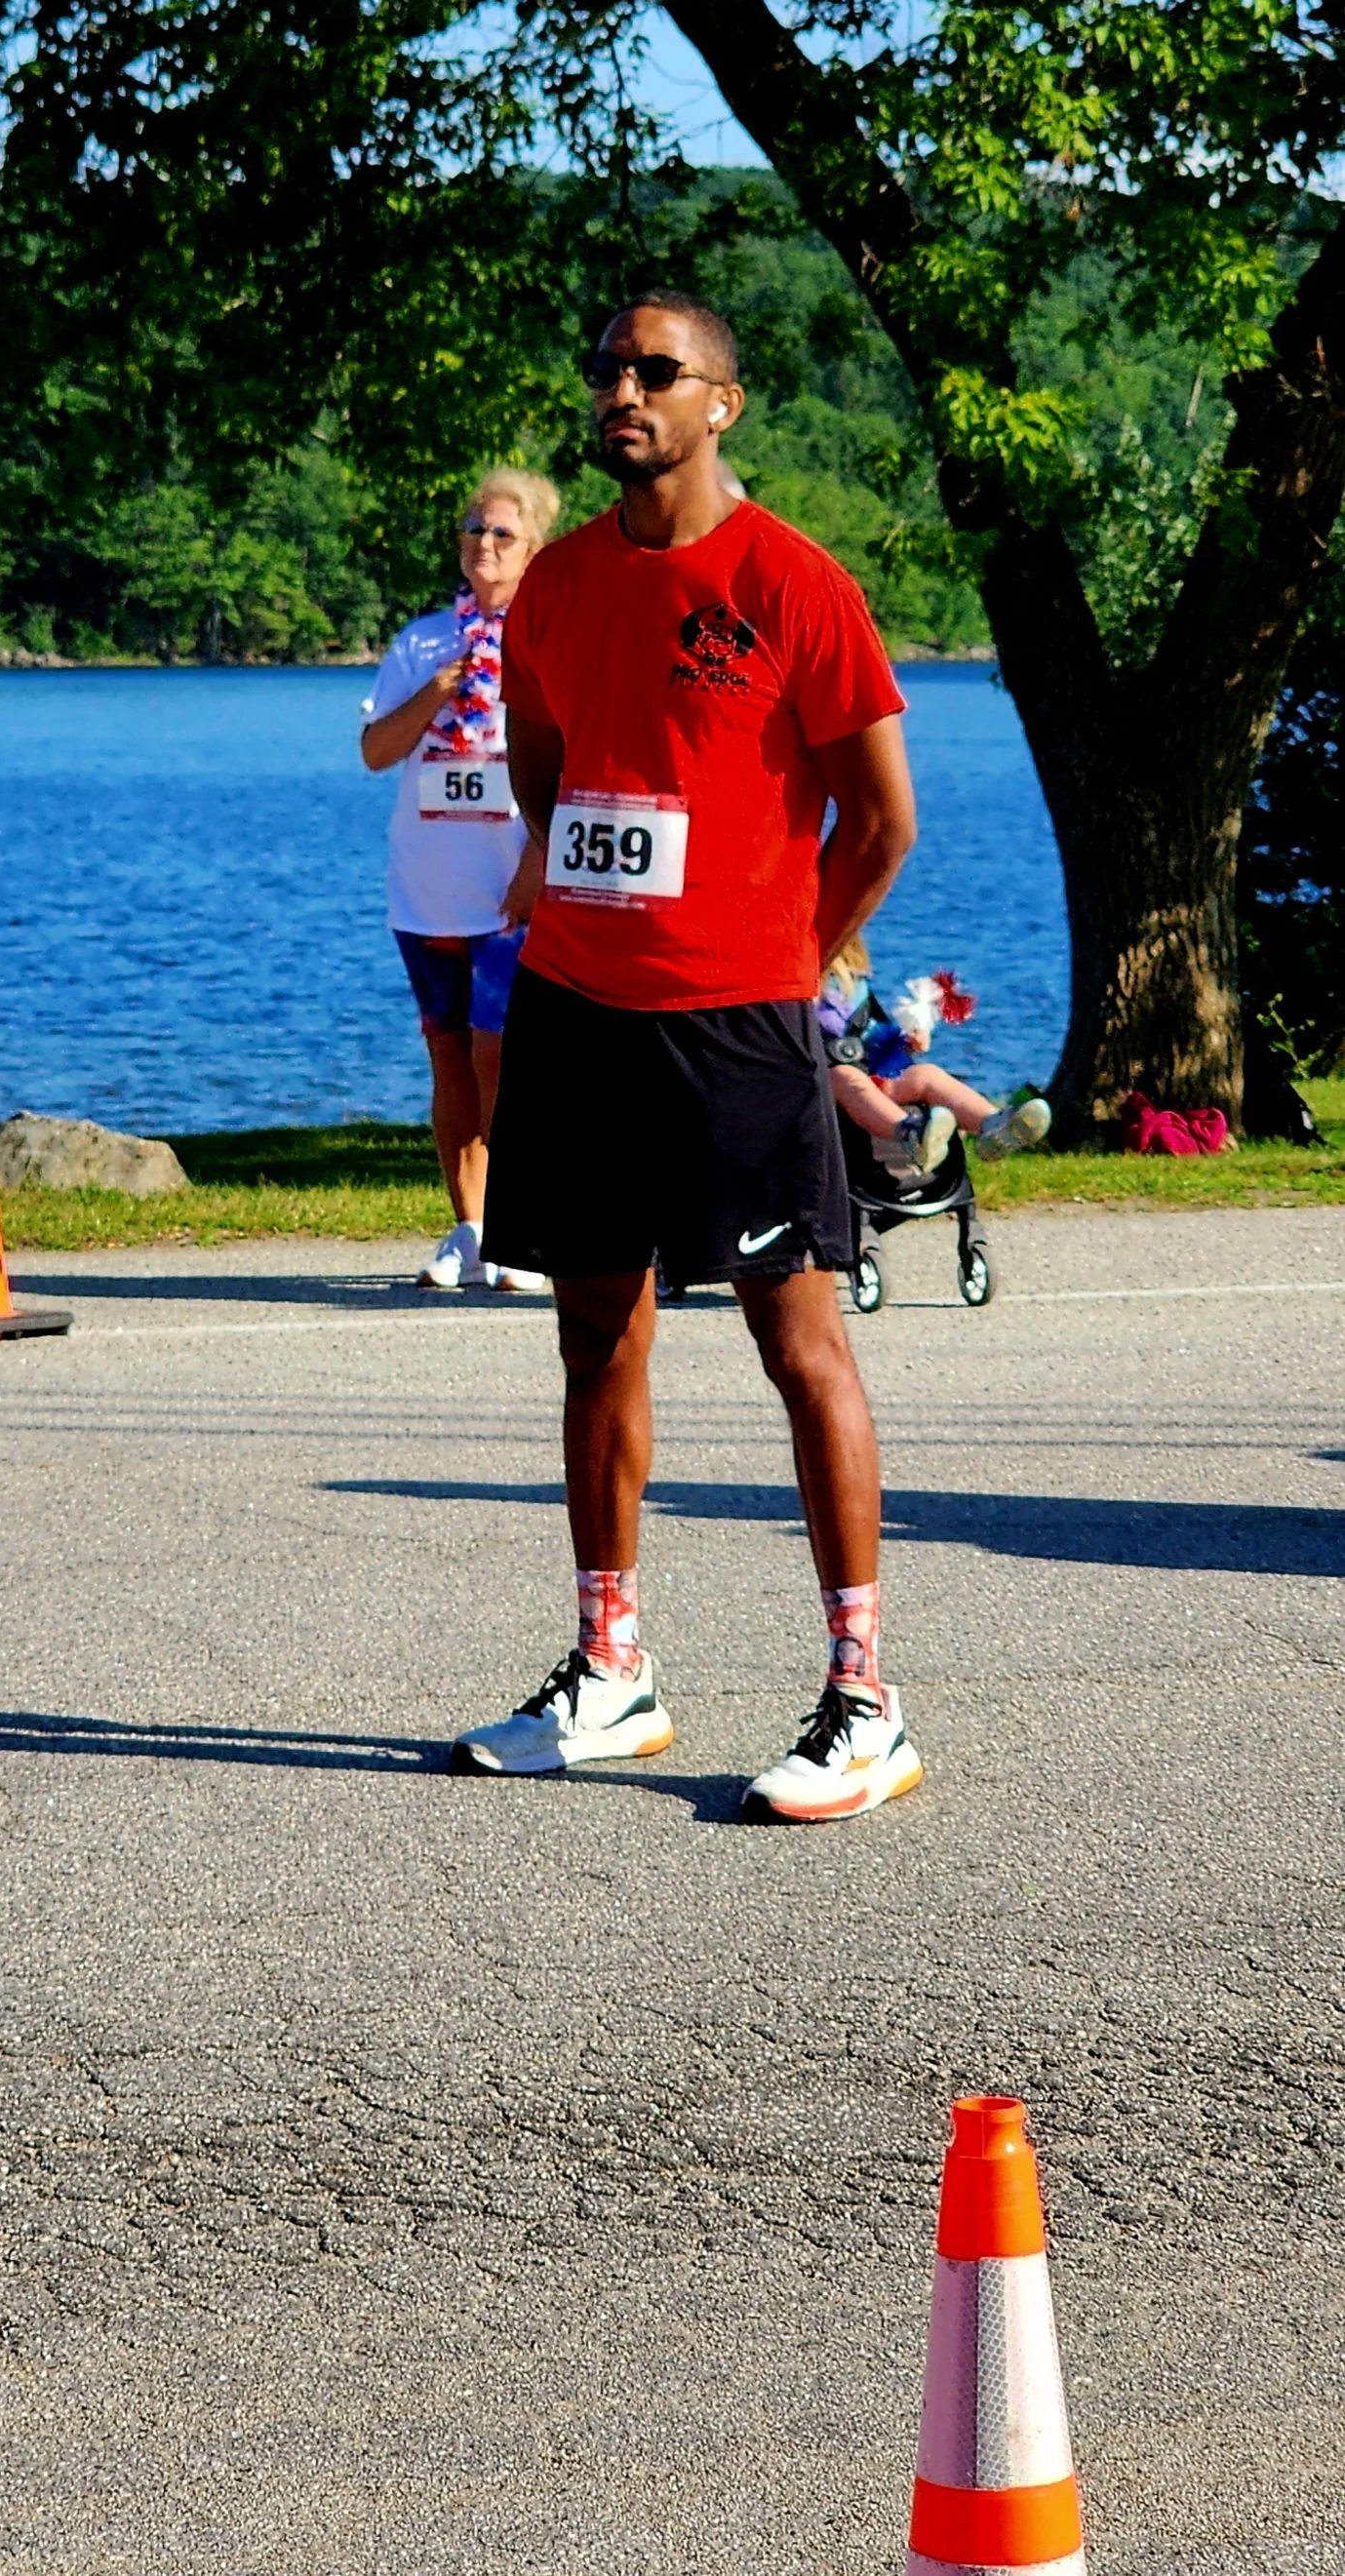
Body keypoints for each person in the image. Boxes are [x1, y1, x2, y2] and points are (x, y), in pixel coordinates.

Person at [451, 291, 923, 1822]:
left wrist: (792, 954)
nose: (621, 390)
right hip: (581, 1013)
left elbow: (882, 817)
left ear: (722, 399)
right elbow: (544, 763)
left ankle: (864, 1699)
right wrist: (574, 883)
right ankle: (611, 1667)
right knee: (597, 1335)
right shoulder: (564, 582)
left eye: (655, 370)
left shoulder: (795, 582)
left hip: (741, 1026)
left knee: (800, 1347)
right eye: (606, 368)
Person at [361, 467, 558, 1292]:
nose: (483, 544)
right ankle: (470, 1228)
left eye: (501, 533)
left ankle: (524, 1227)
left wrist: (539, 858)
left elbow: (580, 760)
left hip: (511, 888)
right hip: (425, 886)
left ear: (534, 548)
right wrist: (437, 691)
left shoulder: (552, 638)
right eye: (473, 529)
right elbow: (375, 752)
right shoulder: (421, 643)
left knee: (500, 1058)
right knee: (448, 1058)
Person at [818, 938, 1051, 1173]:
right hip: (816, 1084)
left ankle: (994, 1125)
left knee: (925, 1075)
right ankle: (911, 1136)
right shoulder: (798, 994)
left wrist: (905, 1042)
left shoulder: (852, 987)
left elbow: (874, 1036)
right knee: (845, 1075)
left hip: (867, 1074)